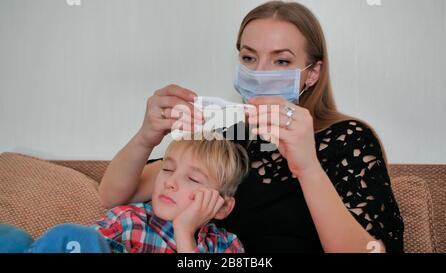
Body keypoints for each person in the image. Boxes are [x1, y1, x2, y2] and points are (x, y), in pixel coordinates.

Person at [98, 1, 404, 253]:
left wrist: (308, 167)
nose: (259, 73)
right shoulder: (225, 135)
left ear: (312, 73)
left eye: (281, 61)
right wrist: (145, 137)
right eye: (249, 57)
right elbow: (114, 197)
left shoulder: (349, 140)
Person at [0, 131, 248, 253]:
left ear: (223, 206)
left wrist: (184, 233)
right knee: (12, 237)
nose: (170, 182)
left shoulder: (227, 246)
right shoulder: (129, 219)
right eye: (167, 169)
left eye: (192, 178)